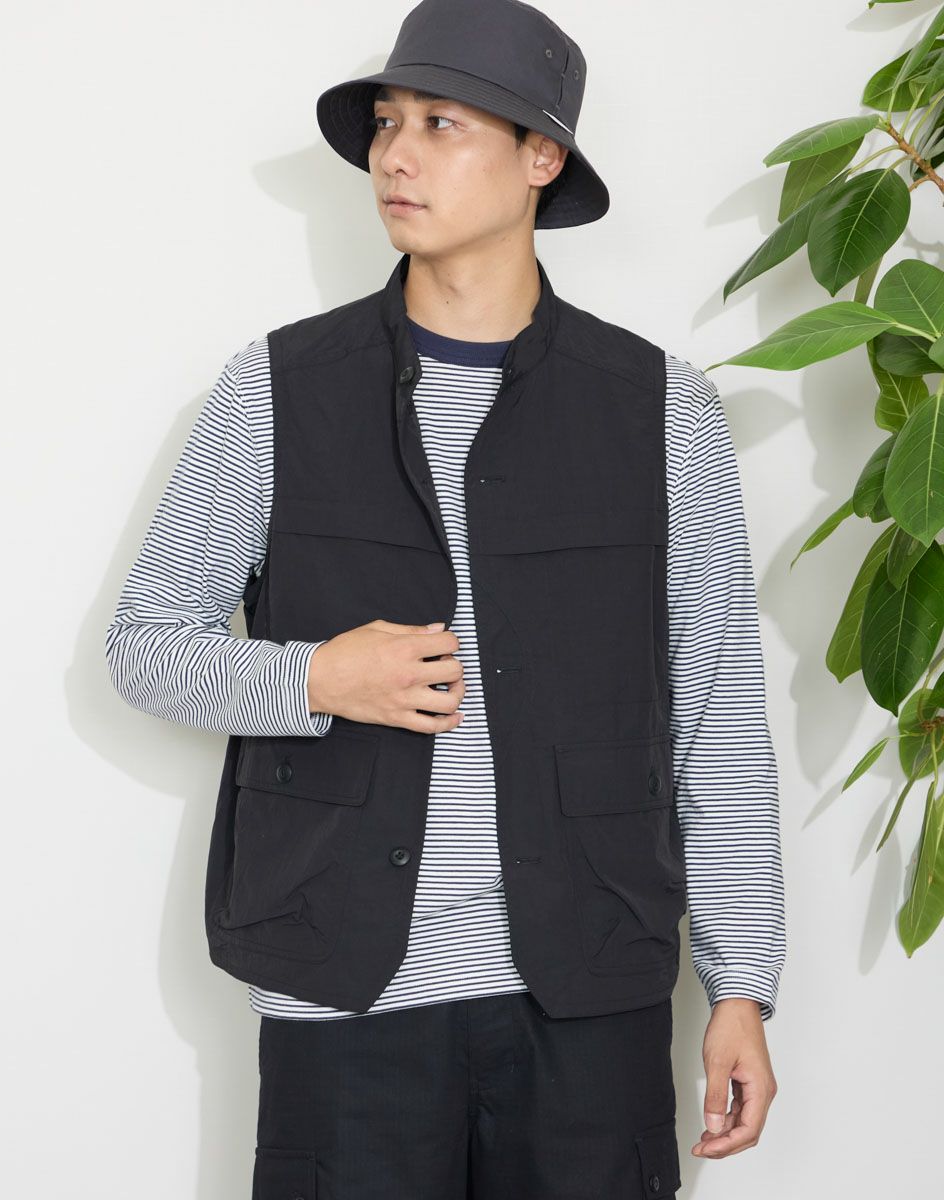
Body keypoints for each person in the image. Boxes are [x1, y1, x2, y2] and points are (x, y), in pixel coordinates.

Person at [106, 1, 784, 1195]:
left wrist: (743, 984)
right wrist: (318, 677)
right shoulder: (276, 388)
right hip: (342, 997)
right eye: (385, 123)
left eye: (439, 124)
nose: (394, 157)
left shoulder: (661, 410)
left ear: (541, 157)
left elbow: (715, 713)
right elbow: (146, 645)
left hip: (589, 998)